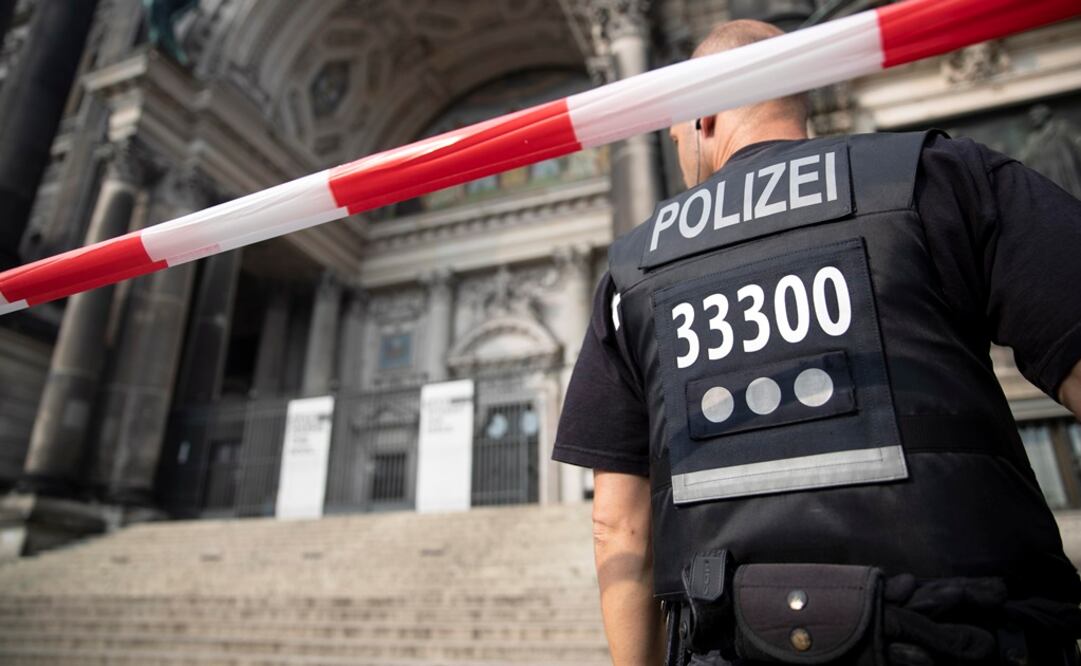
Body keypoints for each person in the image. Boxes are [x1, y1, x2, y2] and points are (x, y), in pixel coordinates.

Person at [553, 19, 1081, 666]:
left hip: (731, 642)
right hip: (970, 633)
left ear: (703, 118)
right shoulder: (938, 175)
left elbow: (617, 526)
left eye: (672, 131)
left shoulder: (631, 270)